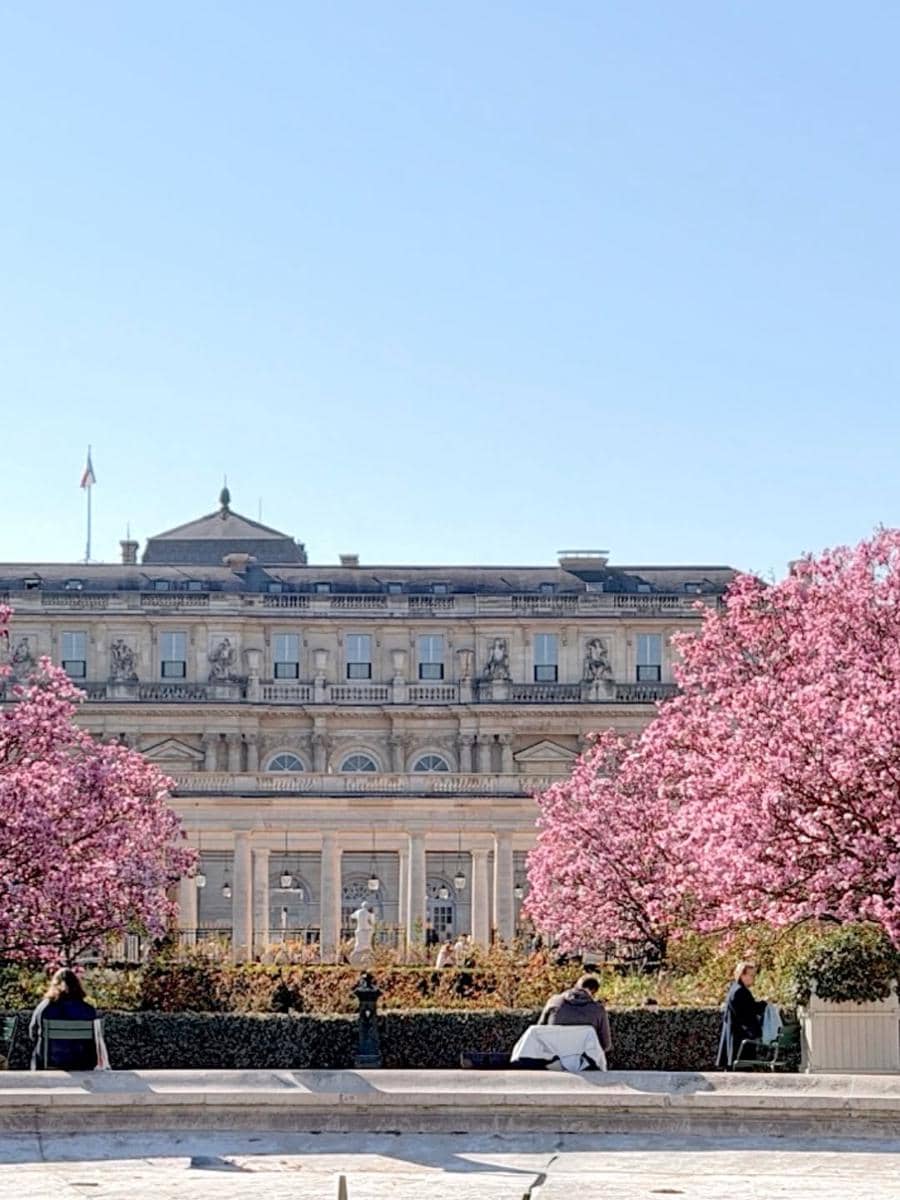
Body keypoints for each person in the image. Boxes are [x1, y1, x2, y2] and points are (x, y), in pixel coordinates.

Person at [29, 968, 108, 1071]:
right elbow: (94, 1040)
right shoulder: (88, 1010)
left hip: (49, 1061)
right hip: (82, 1062)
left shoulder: (44, 1008)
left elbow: (33, 1034)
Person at [538, 974, 612, 1053]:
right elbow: (606, 1045)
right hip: (584, 1061)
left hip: (553, 1058)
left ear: (576, 986)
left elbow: (539, 1029)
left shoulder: (554, 1002)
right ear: (593, 991)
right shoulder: (598, 1010)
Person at [717, 961, 765, 1068]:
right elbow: (748, 1012)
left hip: (734, 1037)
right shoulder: (740, 992)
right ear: (742, 975)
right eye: (751, 975)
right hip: (738, 1039)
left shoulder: (736, 989)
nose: (753, 978)